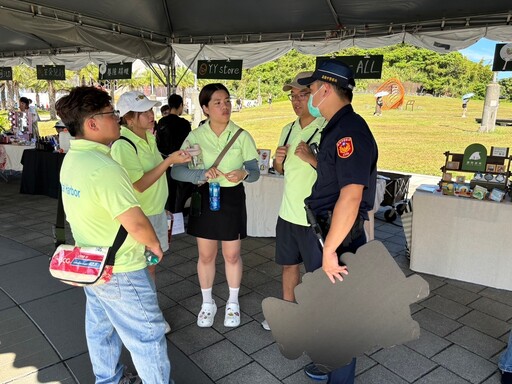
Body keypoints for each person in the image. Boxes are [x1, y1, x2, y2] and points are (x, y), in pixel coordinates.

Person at [56, 86, 172, 384]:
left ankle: (108, 379)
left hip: (93, 262)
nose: (117, 120)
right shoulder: (105, 167)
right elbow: (134, 222)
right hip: (122, 267)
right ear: (91, 123)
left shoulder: (73, 159)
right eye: (111, 114)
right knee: (148, 335)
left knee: (101, 328)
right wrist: (155, 245)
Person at [297, 59, 378, 383]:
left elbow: (351, 195)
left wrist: (330, 251)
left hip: (339, 239)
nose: (309, 97)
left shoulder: (349, 131)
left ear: (326, 89)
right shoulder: (336, 128)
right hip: (329, 233)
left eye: (312, 90)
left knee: (340, 317)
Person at [171, 83, 260, 328]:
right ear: (205, 108)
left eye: (227, 101)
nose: (225, 106)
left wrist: (243, 173)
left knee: (232, 254)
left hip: (231, 199)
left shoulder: (242, 135)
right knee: (206, 254)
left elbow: (255, 172)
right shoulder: (195, 137)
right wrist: (200, 174)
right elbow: (177, 171)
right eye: (217, 103)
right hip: (206, 198)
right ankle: (207, 303)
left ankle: (233, 302)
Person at [111, 91, 191, 333]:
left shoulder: (147, 137)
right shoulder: (124, 144)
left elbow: (153, 173)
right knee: (141, 268)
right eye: (144, 112)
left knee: (151, 265)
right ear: (129, 118)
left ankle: (148, 313)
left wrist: (163, 204)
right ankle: (146, 318)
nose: (150, 115)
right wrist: (169, 162)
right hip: (139, 216)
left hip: (154, 211)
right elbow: (139, 184)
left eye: (150, 110)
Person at [261, 71, 325, 331]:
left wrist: (313, 159)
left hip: (314, 217)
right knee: (289, 266)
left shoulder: (327, 127)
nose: (297, 101)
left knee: (317, 274)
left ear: (317, 95)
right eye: (293, 96)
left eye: (303, 94)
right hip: (288, 213)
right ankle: (289, 313)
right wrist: (277, 162)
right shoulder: (287, 129)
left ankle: (318, 318)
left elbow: (338, 174)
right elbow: (282, 170)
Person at [155, 94, 195, 213]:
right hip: (182, 162)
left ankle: (169, 220)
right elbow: (189, 144)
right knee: (182, 194)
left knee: (168, 192)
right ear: (180, 105)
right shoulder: (184, 124)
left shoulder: (161, 122)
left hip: (165, 163)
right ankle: (179, 220)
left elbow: (158, 144)